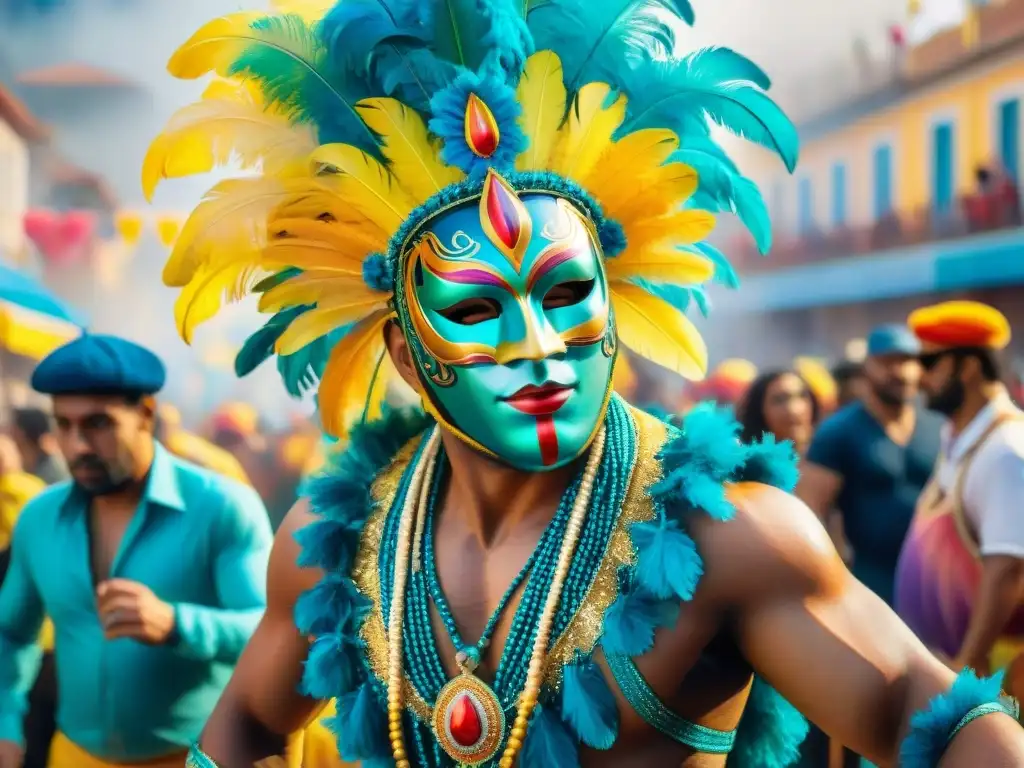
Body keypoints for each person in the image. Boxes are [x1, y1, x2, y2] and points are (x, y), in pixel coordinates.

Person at [150, 3, 1024, 766]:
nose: (538, 343)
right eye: (480, 306)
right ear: (410, 356)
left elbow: (936, 722)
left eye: (565, 294)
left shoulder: (726, 538)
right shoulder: (337, 544)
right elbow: (241, 734)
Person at [0, 334, 273, 768]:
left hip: (194, 758)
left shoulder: (222, 507)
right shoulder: (39, 518)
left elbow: (271, 632)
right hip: (72, 757)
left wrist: (177, 623)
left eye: (98, 423)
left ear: (145, 414)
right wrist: (6, 726)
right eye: (64, 425)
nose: (77, 446)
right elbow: (11, 632)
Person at [896, 301, 1024, 701]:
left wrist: (966, 667)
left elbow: (1008, 570)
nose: (918, 379)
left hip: (988, 684)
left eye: (929, 363)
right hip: (948, 677)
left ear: (967, 367)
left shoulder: (1006, 451)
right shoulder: (960, 438)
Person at [799, 324, 943, 607]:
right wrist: (831, 581)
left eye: (907, 361)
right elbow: (809, 512)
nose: (900, 372)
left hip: (937, 583)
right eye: (887, 362)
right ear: (867, 368)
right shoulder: (837, 432)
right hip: (870, 584)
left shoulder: (940, 426)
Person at [738, 370, 820, 456]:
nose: (793, 410)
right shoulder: (749, 465)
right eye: (779, 400)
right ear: (759, 411)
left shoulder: (831, 455)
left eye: (802, 395)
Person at [9, 409, 67, 486]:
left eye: (14, 427)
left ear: (22, 432)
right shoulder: (15, 465)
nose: (9, 431)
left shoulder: (53, 470)